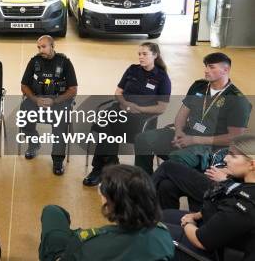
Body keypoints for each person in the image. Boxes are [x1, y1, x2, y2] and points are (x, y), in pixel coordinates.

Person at [134, 52, 252, 175]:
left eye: (211, 67)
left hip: (212, 147)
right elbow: (182, 114)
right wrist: (179, 132)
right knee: (142, 139)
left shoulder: (237, 100)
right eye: (205, 66)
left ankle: (154, 187)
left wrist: (195, 140)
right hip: (188, 134)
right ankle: (143, 181)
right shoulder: (198, 86)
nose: (206, 70)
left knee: (177, 158)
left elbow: (233, 138)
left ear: (225, 70)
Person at [39, 164, 174, 261]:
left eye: (102, 189)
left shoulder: (87, 243)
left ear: (111, 202)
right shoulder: (163, 235)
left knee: (52, 212)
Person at [83, 42, 171, 186]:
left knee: (110, 130)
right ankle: (104, 166)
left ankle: (105, 167)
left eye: (144, 54)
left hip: (143, 118)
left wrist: (138, 108)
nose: (140, 57)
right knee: (103, 121)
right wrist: (126, 105)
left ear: (155, 55)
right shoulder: (132, 69)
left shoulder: (162, 78)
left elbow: (161, 108)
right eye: (139, 54)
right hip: (122, 108)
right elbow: (118, 93)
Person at [162, 135, 255, 260]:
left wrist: (188, 222)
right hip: (211, 224)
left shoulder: (245, 204)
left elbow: (201, 241)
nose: (226, 159)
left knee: (150, 229)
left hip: (212, 247)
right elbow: (220, 206)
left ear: (251, 164)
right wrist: (196, 215)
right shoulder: (245, 184)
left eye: (232, 155)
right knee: (163, 213)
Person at [20, 35, 78, 175]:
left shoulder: (64, 62)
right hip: (38, 99)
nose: (41, 50)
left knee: (60, 122)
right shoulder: (34, 62)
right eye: (38, 47)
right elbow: (24, 85)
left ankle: (57, 160)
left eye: (44, 46)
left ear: (53, 46)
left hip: (59, 100)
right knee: (24, 111)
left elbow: (73, 89)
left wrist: (55, 101)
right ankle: (34, 143)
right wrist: (35, 99)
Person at [153, 157, 229, 212]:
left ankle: (142, 199)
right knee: (166, 185)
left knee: (167, 166)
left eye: (233, 156)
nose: (227, 158)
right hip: (209, 175)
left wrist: (225, 178)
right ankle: (167, 221)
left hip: (222, 186)